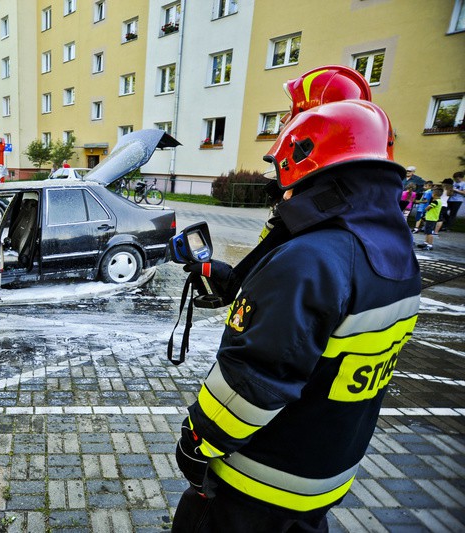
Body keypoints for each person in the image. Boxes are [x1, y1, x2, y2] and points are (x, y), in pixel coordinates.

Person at [172, 99, 421, 532]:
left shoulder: (311, 259)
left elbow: (255, 378)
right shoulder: (396, 253)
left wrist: (197, 440)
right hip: (322, 477)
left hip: (256, 485)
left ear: (303, 163)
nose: (279, 187)